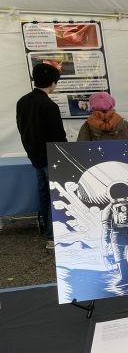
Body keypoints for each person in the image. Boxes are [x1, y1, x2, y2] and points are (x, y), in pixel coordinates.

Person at [16, 63, 67, 250]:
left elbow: (22, 129)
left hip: (34, 156)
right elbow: (58, 136)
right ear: (53, 83)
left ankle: (47, 229)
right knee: (55, 196)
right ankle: (53, 237)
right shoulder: (49, 105)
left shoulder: (22, 101)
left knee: (44, 193)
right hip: (51, 157)